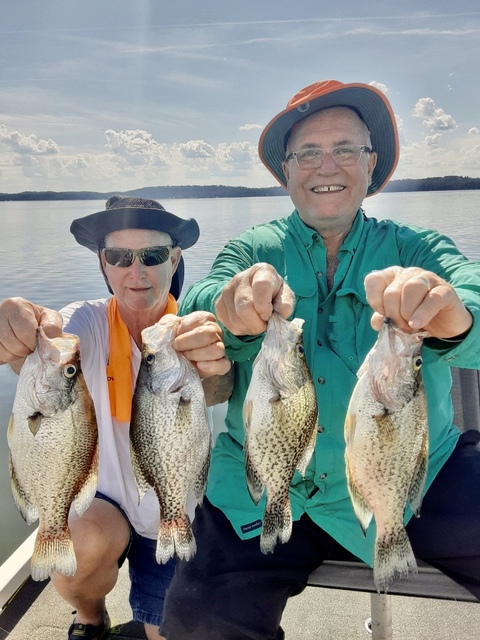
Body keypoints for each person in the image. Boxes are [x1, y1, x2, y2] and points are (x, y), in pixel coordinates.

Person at [158, 80, 480, 640]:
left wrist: (454, 314)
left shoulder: (419, 248)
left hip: (416, 475)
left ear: (371, 165)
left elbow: (472, 293)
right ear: (287, 171)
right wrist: (227, 308)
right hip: (264, 482)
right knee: (198, 620)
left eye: (346, 149)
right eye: (307, 152)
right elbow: (198, 299)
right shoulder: (253, 248)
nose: (325, 166)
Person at [0, 196, 230, 640]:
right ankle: (90, 617)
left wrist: (216, 369)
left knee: (166, 633)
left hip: (171, 500)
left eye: (153, 255)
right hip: (103, 502)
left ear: (175, 258)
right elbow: (50, 347)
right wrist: (20, 333)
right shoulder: (87, 321)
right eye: (119, 257)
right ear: (103, 265)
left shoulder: (189, 329)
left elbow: (222, 385)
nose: (136, 270)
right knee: (76, 551)